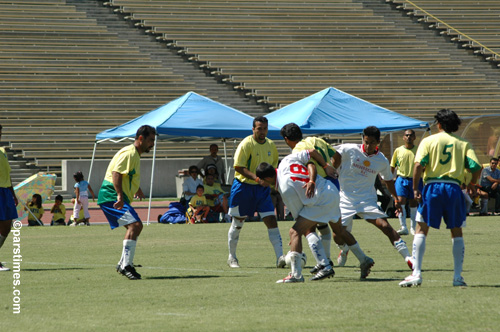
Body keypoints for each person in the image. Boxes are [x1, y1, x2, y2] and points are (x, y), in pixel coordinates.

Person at [257, 149, 374, 282]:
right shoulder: (286, 161)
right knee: (339, 230)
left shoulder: (285, 189)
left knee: (295, 232)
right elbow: (311, 160)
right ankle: (364, 259)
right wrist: (313, 179)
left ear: (266, 178)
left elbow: (302, 223)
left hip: (321, 201)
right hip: (331, 190)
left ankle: (303, 272)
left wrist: (296, 234)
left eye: (259, 180)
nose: (260, 183)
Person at [400, 109, 482, 287]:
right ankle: (457, 277)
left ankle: (417, 273)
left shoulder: (428, 141)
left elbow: (418, 166)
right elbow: (476, 167)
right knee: (456, 231)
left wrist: (415, 189)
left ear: (439, 124)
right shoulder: (463, 143)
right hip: (453, 188)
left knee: (421, 229)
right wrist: (472, 184)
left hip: (432, 187)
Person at [333, 126, 413, 270]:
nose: (368, 146)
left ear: (378, 142)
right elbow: (333, 155)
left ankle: (409, 258)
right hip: (345, 199)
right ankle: (344, 249)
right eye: (366, 142)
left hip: (366, 200)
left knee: (385, 226)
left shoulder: (381, 160)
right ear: (362, 139)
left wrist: (395, 198)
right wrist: (333, 170)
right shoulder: (348, 149)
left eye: (372, 143)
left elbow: (388, 180)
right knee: (336, 235)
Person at [98, 125, 156, 280]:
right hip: (111, 194)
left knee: (136, 226)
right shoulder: (129, 152)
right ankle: (126, 266)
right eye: (151, 140)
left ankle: (123, 263)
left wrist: (136, 188)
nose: (153, 144)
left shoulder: (135, 154)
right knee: (135, 225)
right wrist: (119, 195)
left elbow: (127, 174)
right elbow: (116, 173)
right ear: (141, 138)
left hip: (114, 194)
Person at [227, 116, 284, 268]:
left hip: (262, 190)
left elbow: (273, 168)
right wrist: (257, 179)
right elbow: (238, 166)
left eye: (265, 128)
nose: (262, 131)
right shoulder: (246, 143)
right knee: (238, 223)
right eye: (259, 128)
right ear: (253, 129)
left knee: (271, 220)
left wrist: (270, 183)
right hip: (243, 187)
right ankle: (232, 257)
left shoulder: (271, 145)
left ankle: (280, 257)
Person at [280, 123, 338, 268]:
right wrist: (331, 168)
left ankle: (326, 263)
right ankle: (326, 259)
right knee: (325, 226)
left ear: (286, 139)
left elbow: (310, 162)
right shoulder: (315, 139)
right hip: (331, 184)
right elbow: (337, 155)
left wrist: (314, 179)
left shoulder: (297, 150)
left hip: (318, 189)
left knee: (309, 228)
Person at [390, 129, 423, 235]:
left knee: (413, 202)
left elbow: (424, 166)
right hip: (401, 178)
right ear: (403, 137)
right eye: (406, 135)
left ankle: (413, 227)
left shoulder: (419, 150)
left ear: (414, 137)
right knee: (400, 201)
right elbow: (392, 166)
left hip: (415, 180)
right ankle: (403, 226)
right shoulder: (398, 150)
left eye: (411, 135)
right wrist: (390, 178)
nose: (408, 137)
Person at [0, 124, 18, 271]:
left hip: (5, 192)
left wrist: (13, 194)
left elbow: (8, 175)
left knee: (6, 227)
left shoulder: (2, 151)